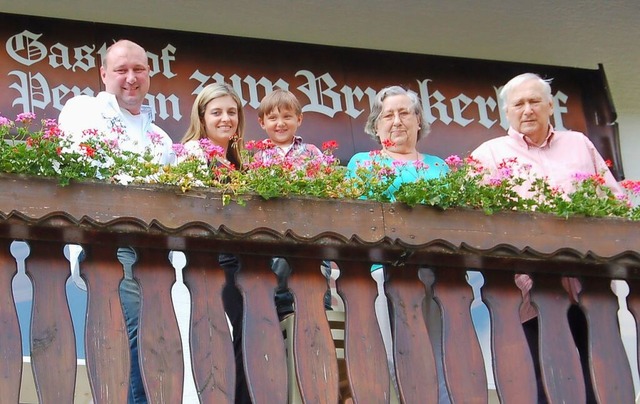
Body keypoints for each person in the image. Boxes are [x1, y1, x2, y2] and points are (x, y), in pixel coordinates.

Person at [470, 72, 623, 403]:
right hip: (526, 292)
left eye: (535, 101)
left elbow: (615, 204)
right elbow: (473, 223)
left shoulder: (578, 144)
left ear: (550, 106)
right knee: (542, 386)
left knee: (596, 382)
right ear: (506, 112)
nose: (527, 109)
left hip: (588, 286)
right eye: (519, 104)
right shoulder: (489, 154)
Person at [59, 39, 174, 404]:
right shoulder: (83, 110)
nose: (130, 78)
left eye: (138, 69)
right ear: (104, 74)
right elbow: (85, 163)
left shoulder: (160, 138)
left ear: (149, 75)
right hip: (108, 241)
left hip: (155, 250)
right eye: (121, 70)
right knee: (135, 331)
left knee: (152, 335)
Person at [347, 85, 449, 402]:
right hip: (381, 275)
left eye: (405, 113)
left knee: (439, 357)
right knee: (392, 357)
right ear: (376, 127)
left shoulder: (439, 167)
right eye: (388, 115)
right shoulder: (364, 163)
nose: (397, 121)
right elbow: (356, 222)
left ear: (418, 121)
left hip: (436, 275)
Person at [180, 82, 251, 403]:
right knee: (220, 337)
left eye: (232, 112)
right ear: (202, 117)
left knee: (246, 335)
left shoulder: (240, 162)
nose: (226, 118)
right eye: (217, 112)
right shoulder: (193, 154)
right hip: (211, 260)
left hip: (240, 259)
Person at [254, 89, 333, 319]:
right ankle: (282, 313)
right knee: (279, 279)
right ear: (262, 122)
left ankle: (320, 310)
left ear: (299, 119)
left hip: (311, 232)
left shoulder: (311, 152)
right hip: (275, 234)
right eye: (273, 118)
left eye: (287, 117)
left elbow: (325, 188)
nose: (280, 123)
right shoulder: (259, 157)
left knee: (315, 280)